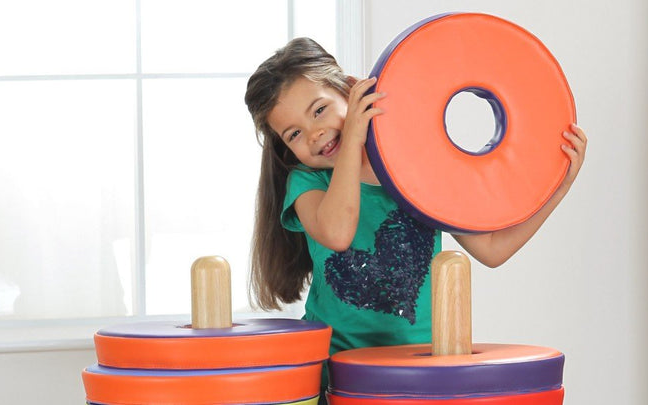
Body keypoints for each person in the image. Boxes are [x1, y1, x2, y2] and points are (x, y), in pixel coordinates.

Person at [244, 37, 587, 397]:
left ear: (349, 90)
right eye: (294, 133)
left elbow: (492, 249)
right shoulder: (308, 181)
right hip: (336, 374)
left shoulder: (415, 166)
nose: (314, 134)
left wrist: (557, 191)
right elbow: (337, 231)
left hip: (419, 371)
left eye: (319, 110)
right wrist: (354, 143)